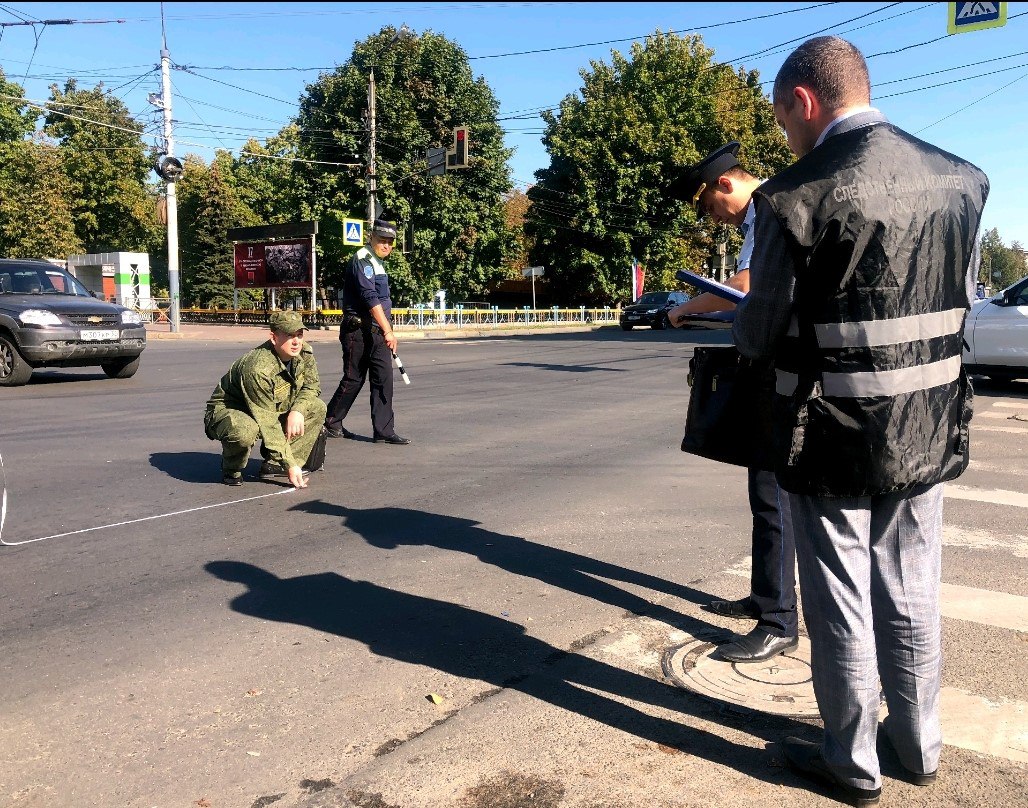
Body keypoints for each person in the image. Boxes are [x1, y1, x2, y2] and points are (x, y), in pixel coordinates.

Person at [733, 36, 987, 806]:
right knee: (913, 587)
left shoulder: (791, 196)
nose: (785, 137)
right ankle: (919, 747)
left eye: (783, 121)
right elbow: (962, 302)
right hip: (930, 425)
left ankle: (851, 764)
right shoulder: (962, 180)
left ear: (805, 102)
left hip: (831, 433)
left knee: (842, 594)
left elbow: (760, 333)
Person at [667, 142, 799, 664]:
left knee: (773, 494)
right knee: (762, 489)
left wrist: (685, 309)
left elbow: (747, 285)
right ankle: (766, 593)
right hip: (769, 362)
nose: (711, 218)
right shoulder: (757, 217)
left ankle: (779, 621)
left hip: (785, 368)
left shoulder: (768, 209)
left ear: (725, 184)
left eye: (706, 206)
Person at [204, 310, 328, 489]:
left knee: (316, 407)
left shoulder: (304, 353)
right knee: (245, 430)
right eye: (289, 335)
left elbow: (312, 386)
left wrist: (297, 410)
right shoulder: (258, 368)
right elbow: (268, 421)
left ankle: (275, 465)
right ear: (274, 337)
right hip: (234, 411)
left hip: (269, 407)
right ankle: (232, 468)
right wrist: (290, 464)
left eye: (299, 335)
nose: (296, 341)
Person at [324, 218, 411, 445]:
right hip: (358, 330)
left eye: (390, 242)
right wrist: (389, 331)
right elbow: (371, 299)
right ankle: (331, 421)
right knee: (354, 379)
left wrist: (385, 330)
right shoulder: (363, 260)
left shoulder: (378, 263)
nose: (387, 245)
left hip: (377, 331)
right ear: (371, 237)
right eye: (382, 240)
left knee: (384, 379)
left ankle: (383, 430)